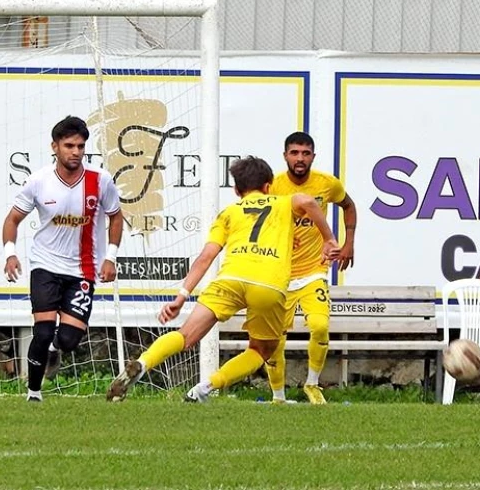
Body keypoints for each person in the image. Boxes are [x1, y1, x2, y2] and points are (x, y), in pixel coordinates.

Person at [106, 156, 337, 403]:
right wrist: (328, 239)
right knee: (260, 350)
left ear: (237, 190)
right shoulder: (282, 203)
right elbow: (308, 201)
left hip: (229, 279)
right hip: (267, 284)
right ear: (269, 186)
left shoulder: (229, 212)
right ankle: (206, 387)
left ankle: (143, 363)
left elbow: (206, 256)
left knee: (185, 336)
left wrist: (181, 296)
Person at [2, 115, 123, 402]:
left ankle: (56, 350)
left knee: (68, 341)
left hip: (83, 270)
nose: (76, 152)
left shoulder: (100, 180)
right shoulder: (39, 181)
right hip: (45, 265)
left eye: (81, 146)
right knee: (41, 333)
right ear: (54, 147)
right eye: (69, 145)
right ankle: (33, 393)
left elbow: (116, 217)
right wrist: (10, 254)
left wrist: (111, 257)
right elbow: (12, 219)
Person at [265, 131, 357, 405]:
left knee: (319, 325)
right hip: (279, 274)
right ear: (285, 156)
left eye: (305, 153)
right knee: (274, 338)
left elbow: (349, 206)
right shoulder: (273, 186)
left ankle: (313, 385)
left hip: (313, 271)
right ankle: (278, 396)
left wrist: (348, 243)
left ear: (313, 156)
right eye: (294, 153)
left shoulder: (327, 184)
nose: (300, 158)